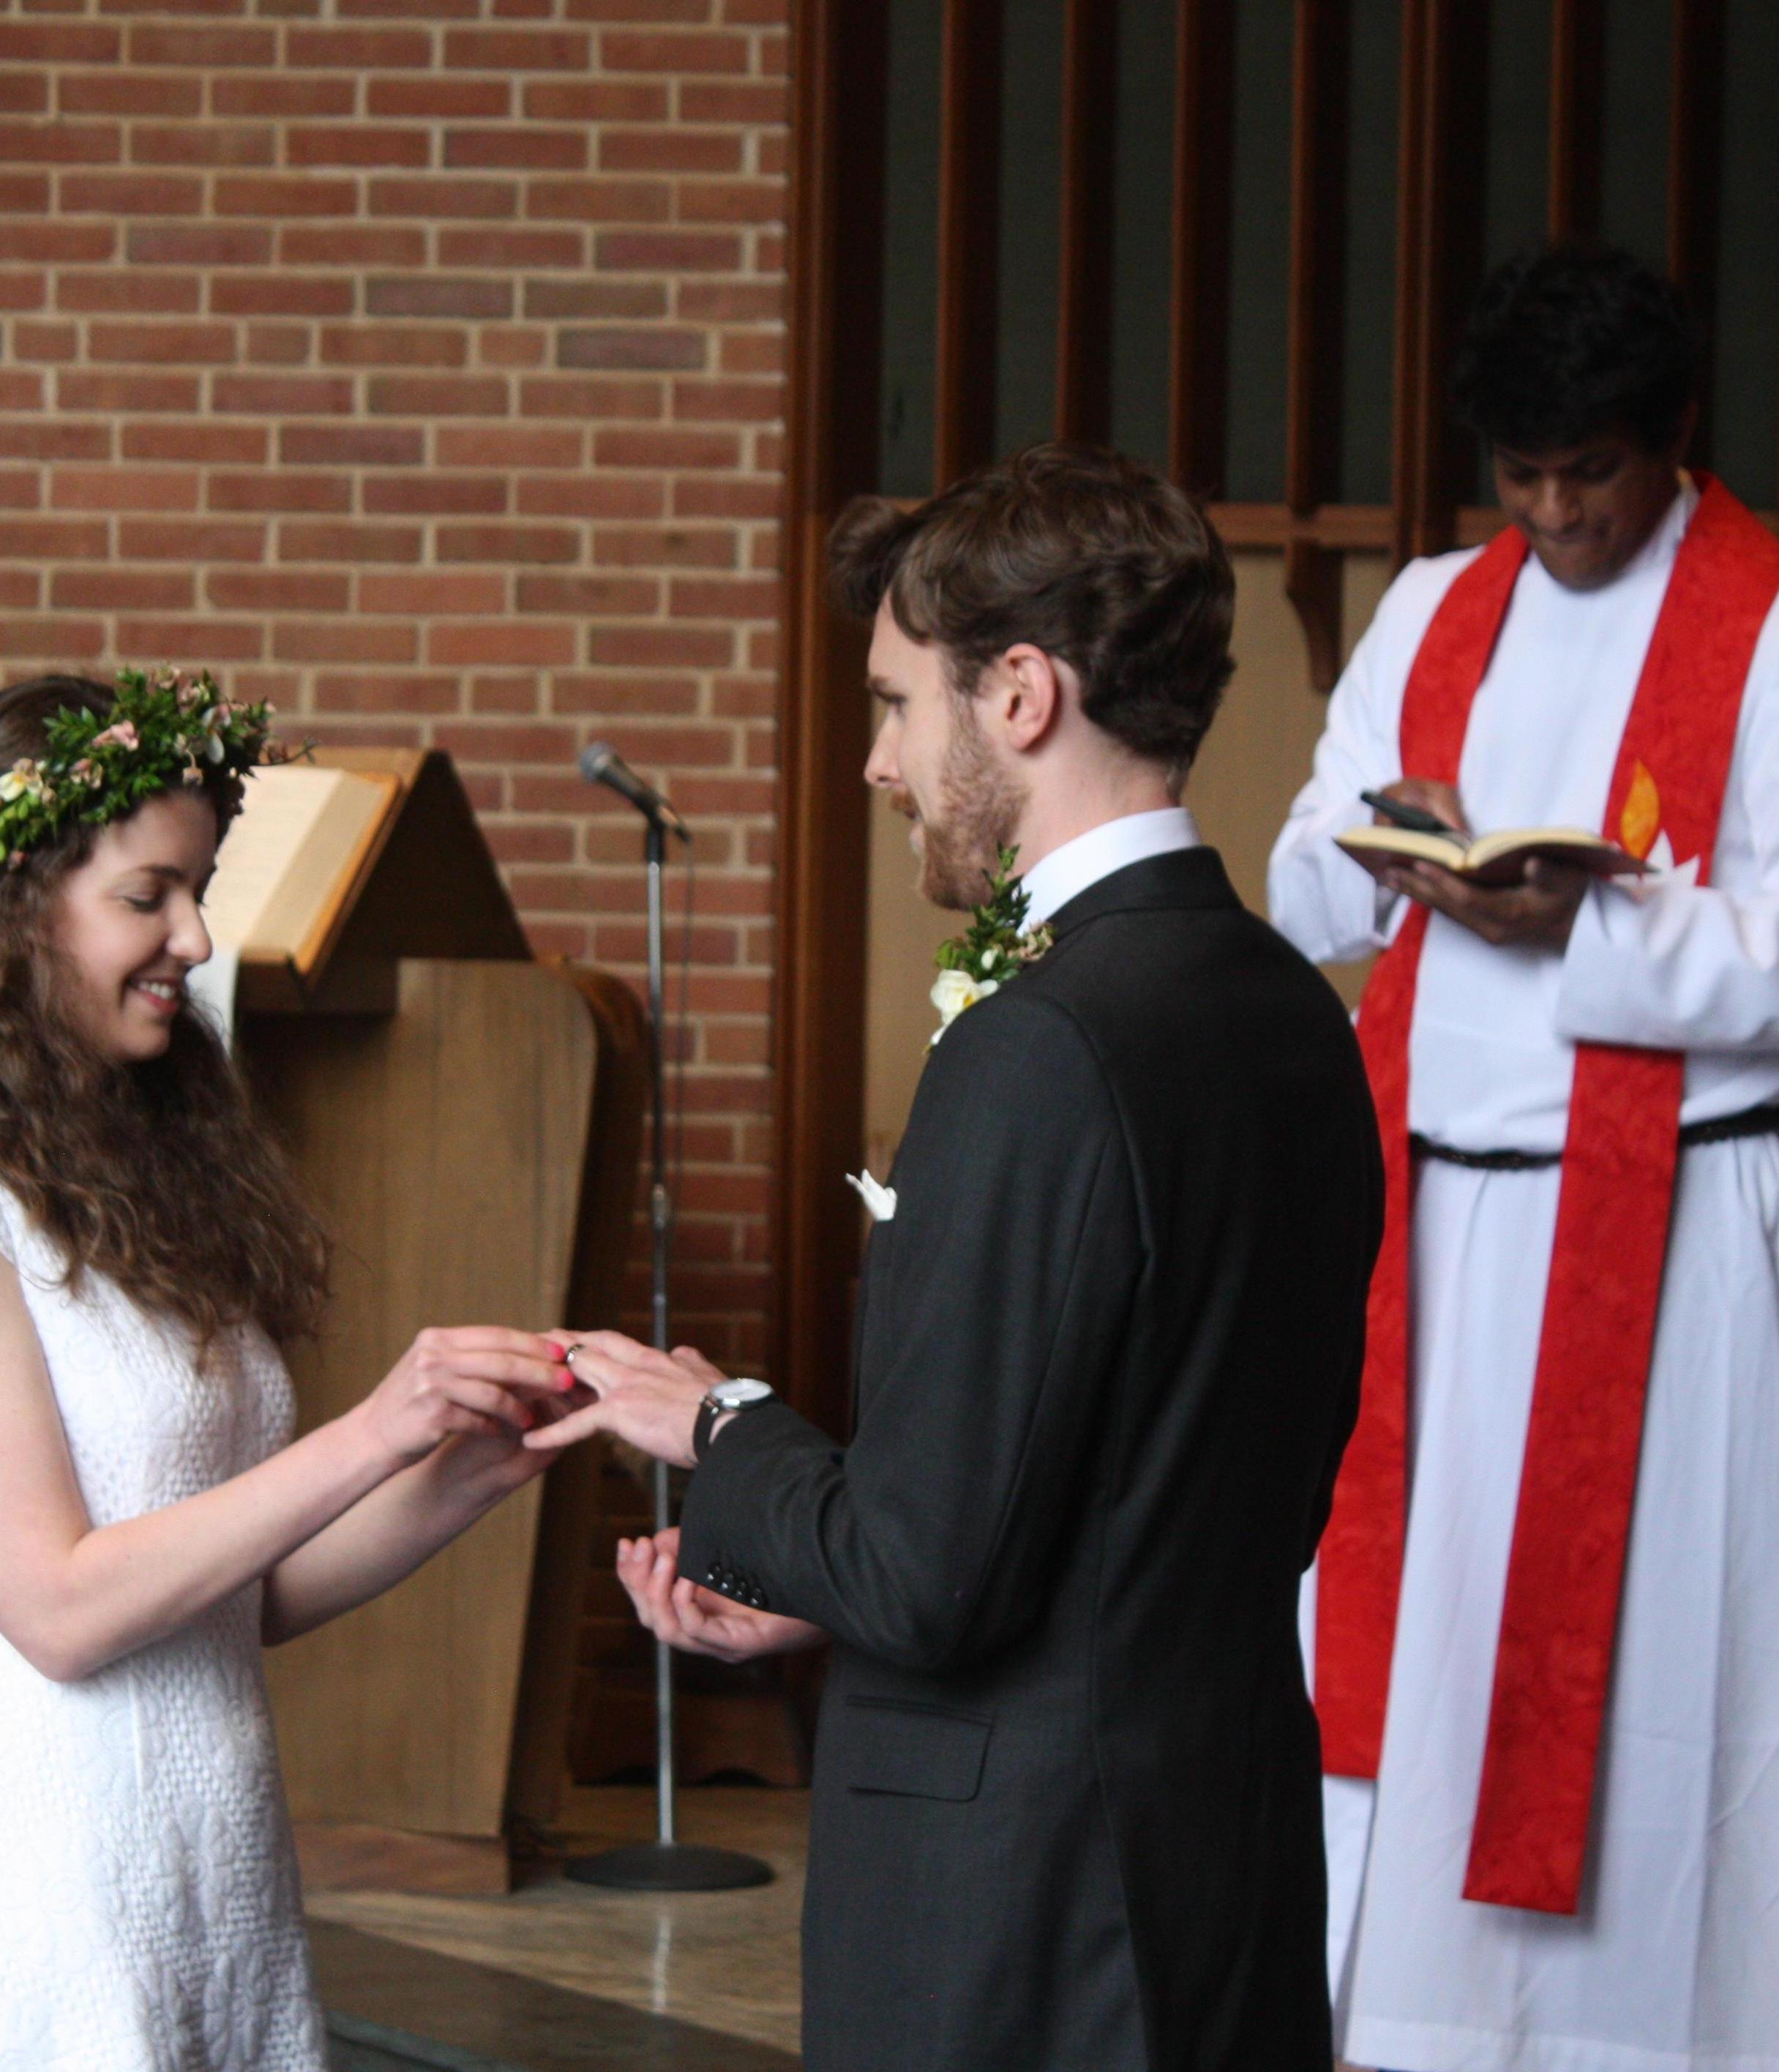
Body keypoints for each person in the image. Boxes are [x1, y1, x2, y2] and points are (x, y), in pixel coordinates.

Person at [528, 445, 1385, 2072]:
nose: (878, 763)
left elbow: (930, 1573)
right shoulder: (1295, 1013)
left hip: (1030, 1913)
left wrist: (718, 1425)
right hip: (1224, 1861)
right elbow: (1169, 1502)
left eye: (894, 704)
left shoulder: (1039, 1043)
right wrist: (811, 1588)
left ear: (1019, 696)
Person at [0, 670, 577, 2068]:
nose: (196, 938)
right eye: (150, 896)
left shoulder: (117, 1170)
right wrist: (377, 1426)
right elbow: (63, 1610)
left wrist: (464, 1471)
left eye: (201, 891)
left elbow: (229, 1601)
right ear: (6, 913)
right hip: (45, 1889)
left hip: (211, 1874)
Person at [1270, 243, 1779, 2072]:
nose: (1558, 514)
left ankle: (1644, 2041)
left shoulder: (1766, 623)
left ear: (1678, 438)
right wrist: (1396, 853)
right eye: (1526, 475)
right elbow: (1304, 872)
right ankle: (1408, 2027)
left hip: (1670, 1231)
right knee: (1419, 1660)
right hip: (1432, 1232)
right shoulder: (1433, 609)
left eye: (1595, 474)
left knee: (1648, 1669)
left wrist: (1590, 924)